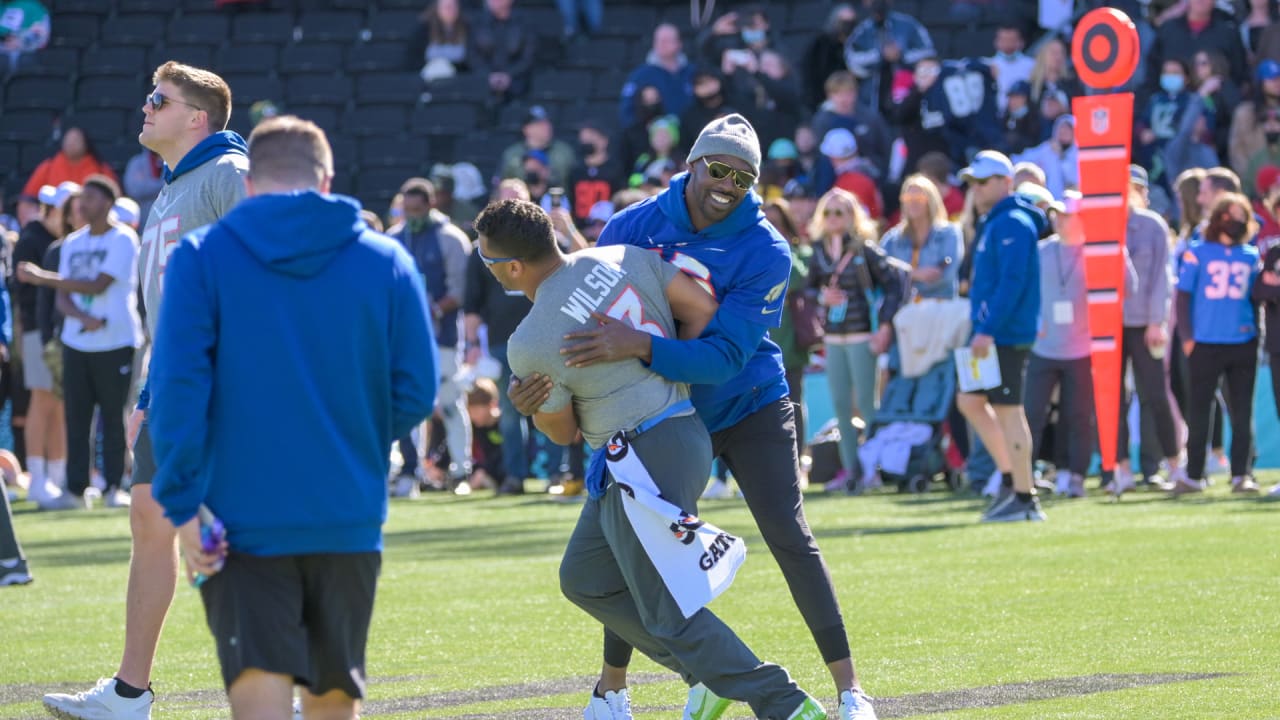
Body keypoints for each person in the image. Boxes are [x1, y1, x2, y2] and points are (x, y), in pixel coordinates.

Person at [514, 114, 878, 719]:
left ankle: (849, 690)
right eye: (718, 168)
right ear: (692, 162)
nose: (727, 183)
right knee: (628, 546)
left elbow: (727, 356)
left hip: (749, 400)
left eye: (743, 175)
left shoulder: (766, 246)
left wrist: (641, 347)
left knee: (789, 536)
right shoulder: (634, 224)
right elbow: (589, 317)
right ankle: (615, 690)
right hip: (663, 412)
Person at [483, 197, 828, 720]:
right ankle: (708, 676)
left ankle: (784, 704)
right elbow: (703, 312)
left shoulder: (529, 341)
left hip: (638, 457)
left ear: (511, 268)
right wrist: (655, 362)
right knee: (584, 578)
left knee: (668, 615)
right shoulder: (620, 255)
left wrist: (531, 408)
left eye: (487, 260)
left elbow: (563, 432)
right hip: (684, 433)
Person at [148, 115, 438, 720]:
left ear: (249, 182)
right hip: (346, 513)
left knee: (258, 698)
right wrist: (348, 434)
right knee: (334, 699)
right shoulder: (386, 260)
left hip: (236, 520)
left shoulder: (201, 257)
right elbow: (416, 392)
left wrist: (182, 503)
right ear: (326, 179)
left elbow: (176, 394)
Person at [42, 60, 248, 720]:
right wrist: (149, 394)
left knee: (238, 533)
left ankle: (288, 689)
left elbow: (267, 267)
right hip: (175, 380)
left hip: (226, 378)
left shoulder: (228, 173)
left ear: (197, 117)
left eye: (160, 100)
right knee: (148, 520)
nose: (146, 107)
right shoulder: (171, 188)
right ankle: (131, 694)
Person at [16, 174, 143, 509]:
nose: (82, 204)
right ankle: (75, 489)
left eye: (89, 197)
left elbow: (98, 284)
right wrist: (83, 319)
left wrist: (43, 278)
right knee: (77, 417)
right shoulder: (73, 243)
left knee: (115, 416)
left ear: (107, 202)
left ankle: (115, 486)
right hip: (77, 342)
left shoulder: (124, 239)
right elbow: (64, 294)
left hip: (117, 340)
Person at [955, 150, 1047, 523]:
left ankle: (1025, 497)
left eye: (982, 181)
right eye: (972, 182)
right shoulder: (995, 221)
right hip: (992, 333)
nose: (975, 189)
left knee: (1010, 412)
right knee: (969, 400)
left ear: (1005, 182)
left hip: (1003, 335)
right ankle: (1012, 478)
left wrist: (987, 331)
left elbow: (1011, 284)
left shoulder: (1012, 222)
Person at [1022, 192, 1127, 498]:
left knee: (1080, 416)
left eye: (1067, 214)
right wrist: (1035, 320)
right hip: (1044, 346)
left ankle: (1077, 476)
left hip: (1083, 349)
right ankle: (1021, 475)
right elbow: (1026, 291)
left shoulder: (1098, 252)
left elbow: (1125, 288)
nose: (1060, 219)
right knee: (1031, 414)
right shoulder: (1041, 250)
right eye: (1057, 214)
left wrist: (1113, 251)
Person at [807, 187, 907, 492]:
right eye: (829, 212)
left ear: (853, 216)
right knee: (840, 405)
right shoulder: (819, 250)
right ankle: (851, 470)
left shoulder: (866, 249)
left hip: (864, 335)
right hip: (834, 338)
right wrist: (822, 297)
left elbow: (897, 282)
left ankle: (873, 467)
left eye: (841, 212)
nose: (834, 218)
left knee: (866, 403)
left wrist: (885, 325)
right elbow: (809, 289)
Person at [1174, 193, 1262, 495]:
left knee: (1242, 411)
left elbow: (1256, 297)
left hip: (1242, 341)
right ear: (1217, 217)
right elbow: (1182, 296)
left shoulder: (1250, 256)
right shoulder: (1197, 252)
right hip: (1205, 343)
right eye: (1229, 215)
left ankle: (1242, 474)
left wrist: (1255, 336)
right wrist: (1187, 339)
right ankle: (1194, 474)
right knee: (1200, 410)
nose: (1234, 222)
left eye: (1241, 216)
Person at [390, 177, 472, 495]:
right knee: (412, 403)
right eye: (405, 209)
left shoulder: (451, 238)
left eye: (416, 208)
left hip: (444, 335)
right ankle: (412, 470)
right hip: (406, 338)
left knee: (451, 403)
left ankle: (461, 470)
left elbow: (459, 289)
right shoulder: (395, 238)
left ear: (430, 204)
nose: (410, 215)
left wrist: (432, 310)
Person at [1112, 166, 1185, 496]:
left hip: (1144, 322)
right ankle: (1121, 468)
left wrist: (1157, 321)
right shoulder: (1098, 225)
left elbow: (1161, 279)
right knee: (1114, 400)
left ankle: (1170, 464)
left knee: (1154, 393)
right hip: (1110, 325)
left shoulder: (1152, 225)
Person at [11, 184, 67, 509]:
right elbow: (26, 294)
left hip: (57, 334)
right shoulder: (31, 240)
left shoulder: (61, 240)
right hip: (35, 331)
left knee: (58, 404)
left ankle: (56, 480)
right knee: (42, 400)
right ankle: (37, 479)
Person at [879, 174, 963, 300]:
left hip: (940, 307)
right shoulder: (892, 239)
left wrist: (901, 280)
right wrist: (914, 274)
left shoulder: (949, 233)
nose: (913, 202)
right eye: (908, 198)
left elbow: (947, 276)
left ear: (931, 200)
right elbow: (880, 273)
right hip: (903, 310)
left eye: (919, 198)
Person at [21, 127, 119, 200]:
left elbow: (114, 200)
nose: (71, 143)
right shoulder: (48, 168)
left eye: (76, 140)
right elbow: (28, 198)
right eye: (68, 140)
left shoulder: (100, 169)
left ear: (86, 143)